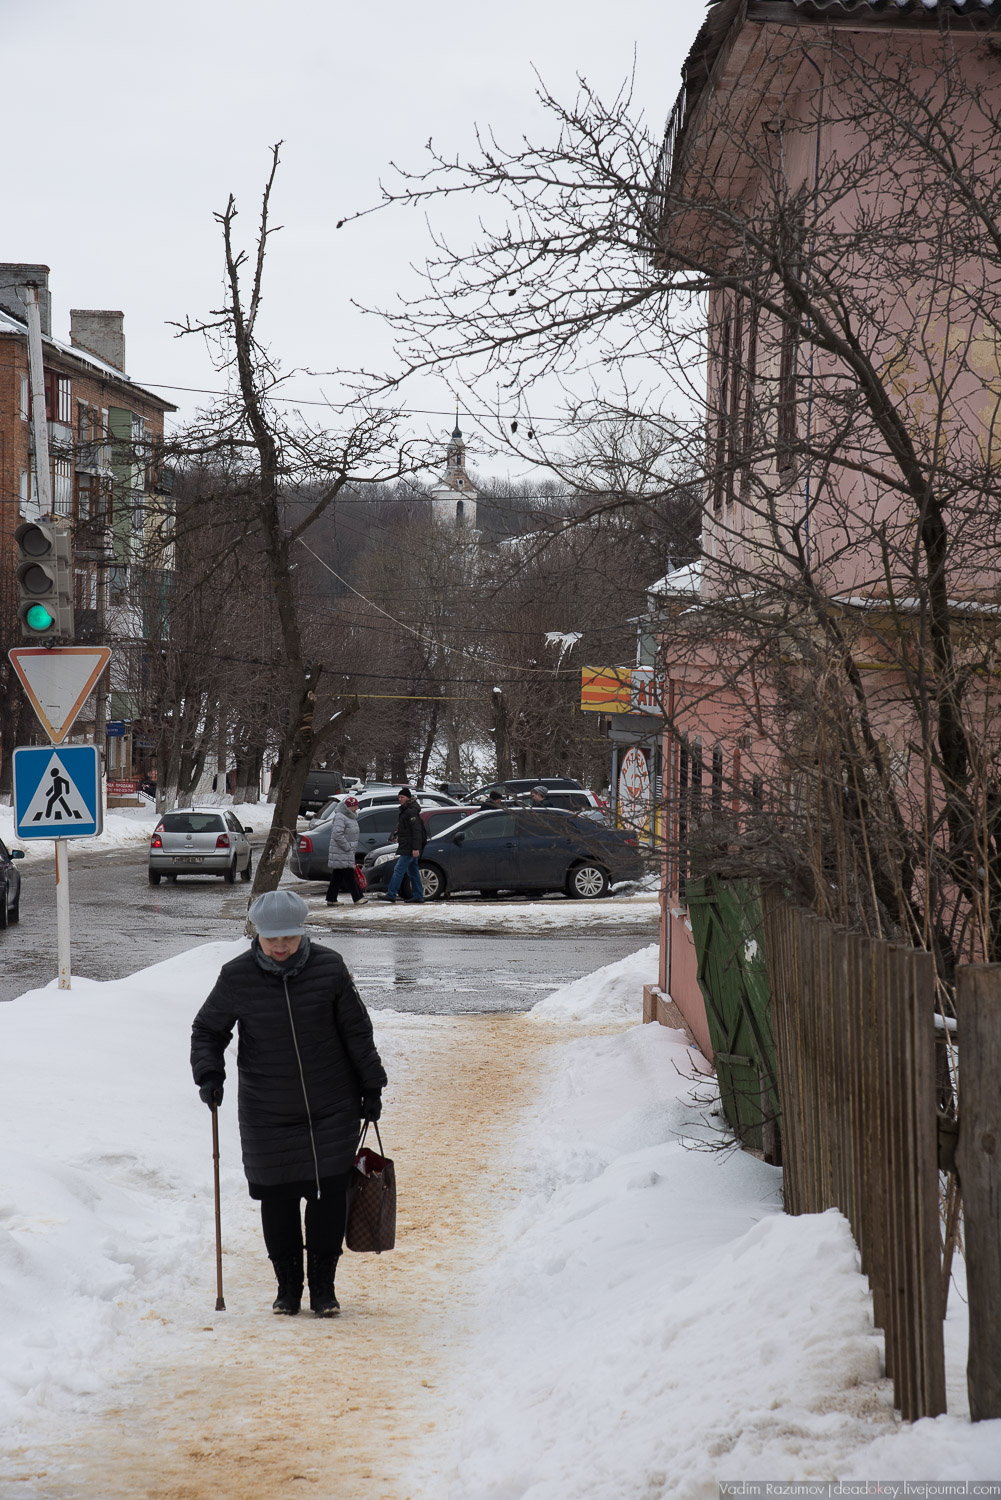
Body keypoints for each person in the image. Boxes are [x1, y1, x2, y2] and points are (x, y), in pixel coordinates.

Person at [190, 890, 386, 1318]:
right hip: (267, 1109)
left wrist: (372, 1086)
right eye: (271, 938)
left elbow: (357, 1031)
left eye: (289, 939)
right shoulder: (236, 976)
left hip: (332, 1102)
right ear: (257, 935)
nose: (280, 947)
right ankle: (287, 1289)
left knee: (328, 1198)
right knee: (277, 1200)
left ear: (303, 931)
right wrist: (209, 1074)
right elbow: (208, 1030)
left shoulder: (329, 968)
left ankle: (323, 1289)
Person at [378, 787, 426, 904]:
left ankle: (391, 894)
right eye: (399, 797)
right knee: (413, 870)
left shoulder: (411, 811)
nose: (400, 799)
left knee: (399, 869)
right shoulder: (407, 810)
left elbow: (416, 831)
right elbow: (406, 829)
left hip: (409, 846)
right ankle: (418, 895)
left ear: (408, 798)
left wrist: (416, 848)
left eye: (402, 797)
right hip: (407, 844)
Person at [325, 796, 367, 905]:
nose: (357, 809)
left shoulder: (350, 817)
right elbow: (337, 834)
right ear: (350, 807)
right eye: (355, 807)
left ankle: (331, 899)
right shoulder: (341, 817)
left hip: (346, 852)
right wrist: (347, 847)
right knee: (349, 875)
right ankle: (358, 897)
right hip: (342, 851)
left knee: (337, 876)